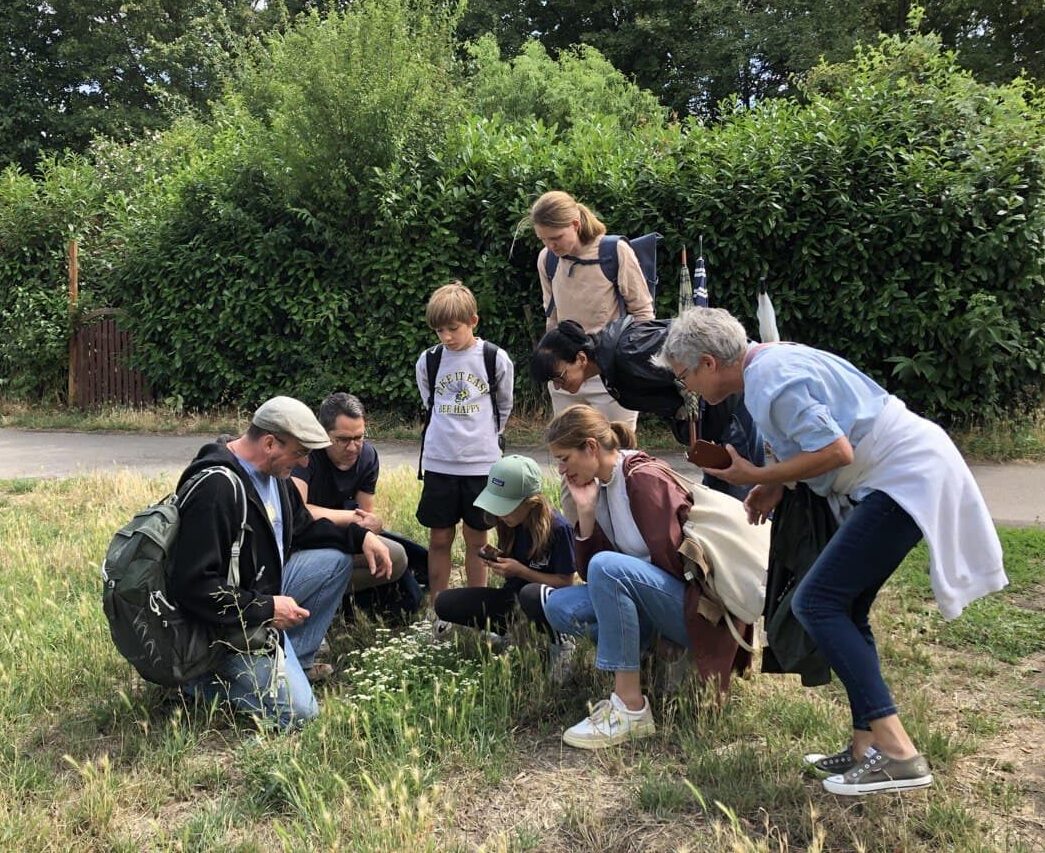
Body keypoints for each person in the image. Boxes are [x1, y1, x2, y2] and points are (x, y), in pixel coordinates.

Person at [657, 307, 1007, 795]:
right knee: (844, 605)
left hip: (902, 477)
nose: (688, 388)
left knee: (817, 601)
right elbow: (809, 435)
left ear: (710, 363)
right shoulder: (767, 363)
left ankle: (900, 753)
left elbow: (837, 450)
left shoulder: (767, 381)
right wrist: (776, 486)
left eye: (685, 376)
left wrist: (754, 476)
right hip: (899, 471)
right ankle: (867, 746)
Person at [169, 396, 393, 729]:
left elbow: (303, 528)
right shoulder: (216, 490)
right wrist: (267, 609)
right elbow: (192, 587)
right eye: (301, 452)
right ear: (270, 443)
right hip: (218, 627)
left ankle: (295, 662)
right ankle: (195, 681)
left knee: (335, 560)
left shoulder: (276, 478)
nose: (305, 464)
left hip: (259, 594)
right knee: (300, 715)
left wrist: (359, 538)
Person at [540, 405, 755, 750]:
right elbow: (591, 572)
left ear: (591, 448)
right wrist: (586, 513)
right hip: (651, 598)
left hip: (696, 609)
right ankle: (646, 664)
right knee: (560, 606)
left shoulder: (642, 478)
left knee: (607, 567)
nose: (562, 471)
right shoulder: (603, 486)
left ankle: (630, 707)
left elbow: (684, 570)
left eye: (565, 459)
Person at [531, 316, 763, 499]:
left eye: (559, 377)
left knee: (745, 498)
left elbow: (692, 351)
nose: (559, 386)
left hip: (730, 410)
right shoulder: (612, 365)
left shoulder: (630, 350)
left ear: (581, 358)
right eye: (554, 383)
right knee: (722, 501)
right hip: (713, 426)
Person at [415, 281, 514, 635]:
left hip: (480, 464)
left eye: (453, 328)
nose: (446, 336)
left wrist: (485, 442)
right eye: (439, 330)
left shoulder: (494, 358)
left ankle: (476, 612)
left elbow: (504, 405)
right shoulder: (429, 360)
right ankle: (439, 610)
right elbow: (430, 403)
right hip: (440, 464)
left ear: (473, 320)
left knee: (478, 539)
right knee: (439, 537)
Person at [292, 391, 425, 618]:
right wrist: (353, 519)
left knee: (397, 557)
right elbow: (299, 511)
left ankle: (339, 604)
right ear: (323, 434)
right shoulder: (305, 454)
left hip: (344, 534)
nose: (353, 447)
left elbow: (365, 515)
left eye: (359, 437)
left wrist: (374, 523)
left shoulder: (367, 456)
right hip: (302, 538)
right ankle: (312, 601)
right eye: (343, 439)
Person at [528, 190, 654, 430]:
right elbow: (552, 318)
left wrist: (633, 367)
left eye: (556, 237)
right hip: (564, 373)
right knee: (568, 450)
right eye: (543, 239)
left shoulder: (614, 251)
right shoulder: (547, 259)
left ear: (575, 224)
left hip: (611, 375)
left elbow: (643, 313)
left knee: (616, 451)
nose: (550, 245)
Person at [434, 455, 576, 665]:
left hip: (547, 605)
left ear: (531, 502)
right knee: (444, 603)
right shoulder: (508, 522)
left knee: (531, 594)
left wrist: (521, 571)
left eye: (505, 506)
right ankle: (510, 633)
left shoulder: (559, 529)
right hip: (513, 599)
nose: (500, 514)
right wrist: (500, 564)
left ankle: (562, 643)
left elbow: (566, 583)